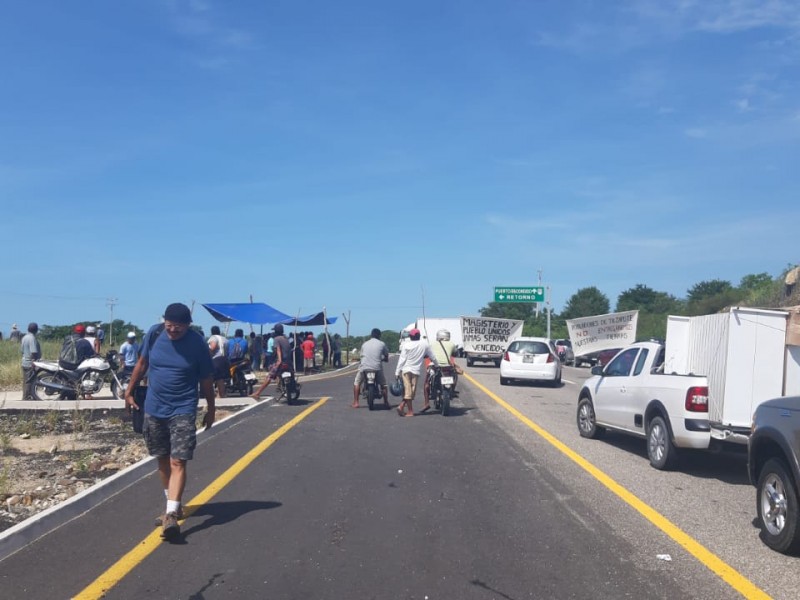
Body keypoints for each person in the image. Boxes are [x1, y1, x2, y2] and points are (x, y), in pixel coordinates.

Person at [124, 302, 215, 542]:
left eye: (179, 328)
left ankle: (172, 513)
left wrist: (211, 408)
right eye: (169, 326)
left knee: (178, 460)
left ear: (188, 325)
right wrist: (129, 390)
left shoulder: (197, 344)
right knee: (162, 459)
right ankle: (171, 505)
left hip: (183, 408)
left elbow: (206, 379)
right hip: (154, 408)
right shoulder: (154, 334)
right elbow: (142, 364)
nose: (173, 331)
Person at [395, 328, 438, 417]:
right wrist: (437, 365)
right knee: (411, 391)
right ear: (419, 336)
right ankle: (409, 411)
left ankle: (402, 406)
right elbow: (432, 357)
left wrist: (397, 372)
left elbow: (402, 360)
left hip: (406, 370)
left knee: (409, 392)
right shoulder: (425, 344)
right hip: (415, 371)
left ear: (410, 337)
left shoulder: (406, 345)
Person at [421, 329, 462, 413]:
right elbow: (455, 354)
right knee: (455, 375)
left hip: (435, 366)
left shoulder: (432, 343)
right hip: (447, 367)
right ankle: (452, 390)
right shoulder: (451, 344)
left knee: (426, 384)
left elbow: (426, 354)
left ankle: (426, 403)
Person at [251, 323, 293, 399]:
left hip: (281, 361)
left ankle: (257, 393)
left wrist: (279, 360)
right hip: (288, 361)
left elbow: (278, 350)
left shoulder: (276, 339)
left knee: (269, 376)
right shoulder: (285, 338)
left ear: (276, 331)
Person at [353, 328, 390, 408]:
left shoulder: (364, 344)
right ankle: (386, 402)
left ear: (371, 335)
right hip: (377, 368)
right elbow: (386, 355)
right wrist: (385, 359)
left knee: (357, 383)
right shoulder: (382, 344)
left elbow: (361, 356)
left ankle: (356, 402)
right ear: (379, 336)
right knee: (383, 385)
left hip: (364, 367)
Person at [20, 322, 41, 400]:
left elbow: (22, 351)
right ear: (36, 330)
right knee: (30, 381)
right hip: (30, 363)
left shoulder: (24, 337)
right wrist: (34, 362)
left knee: (26, 380)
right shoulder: (32, 338)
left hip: (24, 361)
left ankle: (26, 396)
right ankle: (26, 397)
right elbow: (33, 352)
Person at [207, 325, 229, 399]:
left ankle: (213, 394)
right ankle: (221, 394)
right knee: (220, 378)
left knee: (210, 377)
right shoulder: (225, 339)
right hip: (225, 359)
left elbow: (213, 347)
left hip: (216, 360)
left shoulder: (213, 338)